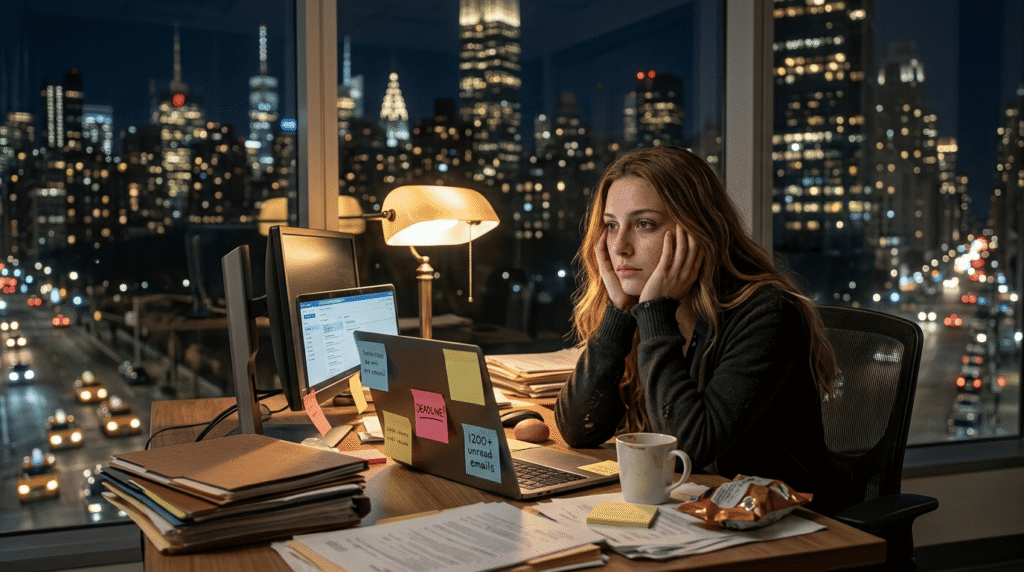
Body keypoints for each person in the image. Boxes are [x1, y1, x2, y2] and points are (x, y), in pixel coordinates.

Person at [554, 146, 849, 515]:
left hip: (783, 525)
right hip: (694, 510)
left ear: (696, 229)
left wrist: (654, 313)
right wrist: (617, 314)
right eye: (612, 225)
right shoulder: (642, 308)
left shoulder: (768, 314)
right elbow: (577, 429)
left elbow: (688, 448)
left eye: (644, 224)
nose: (619, 246)